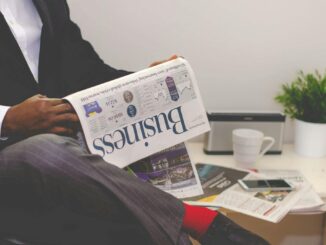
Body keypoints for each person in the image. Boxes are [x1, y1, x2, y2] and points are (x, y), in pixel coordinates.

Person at [0, 1, 270, 244]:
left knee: (142, 222)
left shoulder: (49, 4)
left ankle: (202, 229)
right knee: (45, 150)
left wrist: (146, 82)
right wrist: (7, 119)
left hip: (67, 165)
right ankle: (206, 222)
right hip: (21, 159)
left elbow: (87, 74)